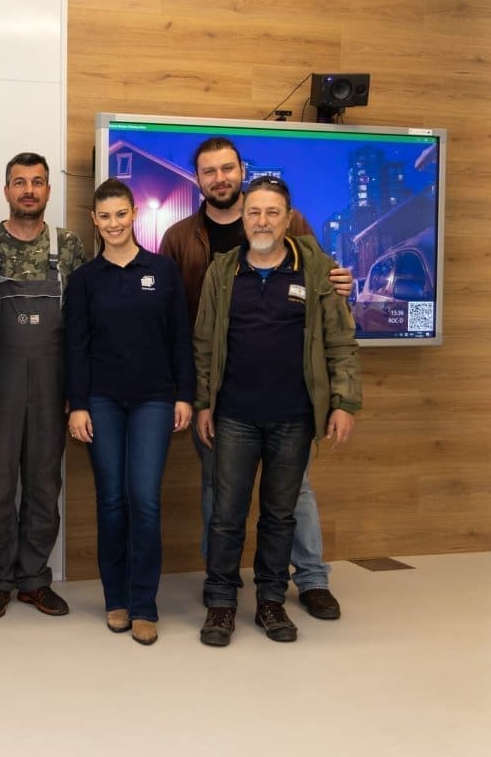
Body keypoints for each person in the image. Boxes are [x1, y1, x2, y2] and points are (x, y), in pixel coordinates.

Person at [159, 136, 352, 620]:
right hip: (224, 400)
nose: (220, 178)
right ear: (197, 180)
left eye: (227, 168)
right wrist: (198, 398)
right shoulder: (183, 240)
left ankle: (308, 579)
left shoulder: (301, 241)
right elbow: (191, 329)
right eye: (209, 171)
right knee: (220, 498)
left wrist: (340, 284)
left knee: (290, 499)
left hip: (290, 406)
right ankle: (221, 588)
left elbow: (332, 316)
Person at [195, 176, 361, 647]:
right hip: (234, 417)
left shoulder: (317, 270)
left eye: (272, 213)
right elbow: (203, 343)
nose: (262, 221)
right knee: (226, 515)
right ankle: (221, 602)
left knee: (280, 516)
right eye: (254, 212)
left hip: (294, 418)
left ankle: (271, 601)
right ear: (243, 219)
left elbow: (341, 341)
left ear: (288, 219)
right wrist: (204, 403)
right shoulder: (222, 271)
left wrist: (345, 402)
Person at [65, 179, 193, 645]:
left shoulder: (162, 270)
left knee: (145, 500)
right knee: (112, 501)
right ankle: (115, 599)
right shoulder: (85, 279)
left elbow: (180, 337)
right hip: (101, 401)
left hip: (154, 401)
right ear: (94, 221)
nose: (114, 223)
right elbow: (75, 348)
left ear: (134, 213)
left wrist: (185, 395)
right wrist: (78, 405)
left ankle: (144, 605)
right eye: (105, 216)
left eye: (121, 214)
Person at [0, 152, 86, 620]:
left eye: (37, 182)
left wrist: (76, 389)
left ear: (47, 190)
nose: (28, 190)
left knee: (43, 482)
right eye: (19, 182)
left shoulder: (68, 244)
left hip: (51, 380)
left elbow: (82, 323)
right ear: (6, 190)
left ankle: (34, 579)